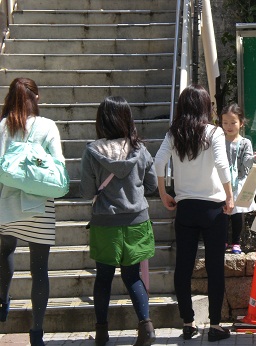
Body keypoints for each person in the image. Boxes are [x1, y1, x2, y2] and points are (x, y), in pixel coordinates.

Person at [154, 85, 233, 342]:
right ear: (205, 107)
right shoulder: (214, 132)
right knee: (214, 269)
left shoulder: (174, 133)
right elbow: (222, 164)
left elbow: (157, 162)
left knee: (183, 268)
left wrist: (163, 192)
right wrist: (230, 196)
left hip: (185, 208)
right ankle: (215, 326)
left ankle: (187, 323)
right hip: (213, 208)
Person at [80, 96, 157, 346]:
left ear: (101, 120)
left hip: (105, 221)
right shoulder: (140, 150)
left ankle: (102, 333)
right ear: (127, 119)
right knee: (132, 276)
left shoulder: (92, 151)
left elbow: (86, 191)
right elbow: (152, 185)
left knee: (103, 276)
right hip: (136, 221)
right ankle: (146, 328)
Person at [0, 78, 65, 346]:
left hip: (7, 205)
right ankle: (37, 332)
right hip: (40, 207)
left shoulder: (3, 127)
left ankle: (2, 301)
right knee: (40, 271)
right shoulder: (47, 126)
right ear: (35, 98)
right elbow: (58, 166)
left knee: (4, 253)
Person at [218, 103, 256, 254]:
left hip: (239, 182)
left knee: (237, 214)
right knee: (222, 213)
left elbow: (247, 161)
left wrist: (254, 158)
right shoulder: (219, 140)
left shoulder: (245, 142)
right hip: (222, 182)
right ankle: (223, 241)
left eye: (233, 122)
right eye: (225, 123)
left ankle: (236, 242)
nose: (229, 126)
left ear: (241, 123)